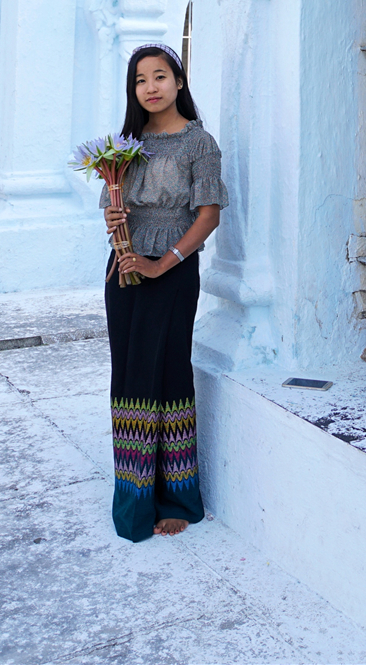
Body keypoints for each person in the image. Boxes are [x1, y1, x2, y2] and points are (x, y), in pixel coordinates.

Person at [100, 43, 224, 543]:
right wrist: (114, 224)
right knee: (129, 374)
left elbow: (209, 215)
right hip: (122, 270)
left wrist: (162, 264)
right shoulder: (125, 144)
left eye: (159, 77)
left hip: (172, 271)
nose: (150, 87)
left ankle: (177, 498)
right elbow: (113, 208)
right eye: (140, 80)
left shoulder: (199, 143)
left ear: (178, 82)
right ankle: (134, 501)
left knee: (168, 374)